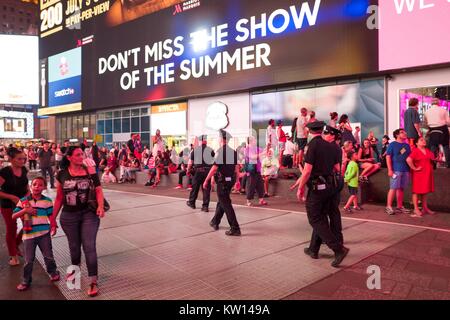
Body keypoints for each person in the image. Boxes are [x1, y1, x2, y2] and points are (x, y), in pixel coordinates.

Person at [51, 146, 106, 297]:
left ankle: (93, 281)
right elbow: (59, 198)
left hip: (89, 213)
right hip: (69, 216)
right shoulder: (61, 174)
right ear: (69, 157)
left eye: (82, 154)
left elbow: (99, 190)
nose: (81, 156)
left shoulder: (90, 170)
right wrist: (52, 219)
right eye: (78, 154)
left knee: (89, 246)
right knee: (74, 247)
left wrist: (100, 206)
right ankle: (75, 273)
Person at [295, 121, 349, 268]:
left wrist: (300, 189)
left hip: (317, 188)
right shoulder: (332, 147)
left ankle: (338, 249)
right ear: (322, 131)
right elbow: (336, 168)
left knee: (315, 218)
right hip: (329, 187)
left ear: (309, 131)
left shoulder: (312, 146)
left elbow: (307, 171)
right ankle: (313, 249)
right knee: (322, 216)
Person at [12, 177, 60, 291]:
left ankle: (53, 272)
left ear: (44, 187)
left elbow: (50, 215)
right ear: (30, 186)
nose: (37, 187)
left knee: (48, 256)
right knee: (29, 260)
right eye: (34, 184)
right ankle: (25, 280)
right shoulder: (23, 201)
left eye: (40, 185)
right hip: (29, 236)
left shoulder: (47, 201)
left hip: (44, 234)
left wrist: (53, 225)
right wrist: (25, 211)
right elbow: (13, 216)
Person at [204, 130, 241, 236]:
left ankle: (235, 228)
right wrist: (237, 180)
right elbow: (236, 167)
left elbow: (214, 168)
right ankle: (215, 221)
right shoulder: (233, 152)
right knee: (222, 201)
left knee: (226, 204)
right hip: (230, 181)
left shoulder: (220, 151)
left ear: (221, 139)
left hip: (222, 182)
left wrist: (207, 180)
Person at [0, 147, 29, 266]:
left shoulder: (24, 170)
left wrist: (27, 196)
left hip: (22, 202)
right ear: (11, 159)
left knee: (28, 224)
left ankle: (16, 244)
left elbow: (27, 188)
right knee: (11, 228)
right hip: (7, 204)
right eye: (19, 159)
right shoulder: (5, 172)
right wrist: (11, 197)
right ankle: (13, 255)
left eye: (24, 158)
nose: (22, 161)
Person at [406, 137, 435, 217]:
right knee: (416, 191)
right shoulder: (415, 151)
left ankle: (425, 208)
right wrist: (414, 168)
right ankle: (416, 209)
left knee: (425, 191)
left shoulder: (427, 150)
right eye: (421, 140)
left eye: (424, 140)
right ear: (416, 143)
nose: (424, 141)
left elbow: (432, 159)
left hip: (427, 173)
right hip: (418, 174)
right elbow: (408, 160)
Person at [385, 129, 411, 215]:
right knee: (393, 188)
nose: (405, 133)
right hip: (396, 170)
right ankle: (388, 206)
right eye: (402, 132)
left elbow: (408, 157)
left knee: (401, 188)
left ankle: (399, 206)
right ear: (397, 135)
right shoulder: (392, 145)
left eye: (405, 132)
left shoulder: (407, 146)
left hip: (405, 170)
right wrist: (390, 170)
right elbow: (388, 157)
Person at [186, 135, 215, 212]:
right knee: (206, 189)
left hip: (197, 171)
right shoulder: (211, 150)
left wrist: (188, 170)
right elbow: (214, 163)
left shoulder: (195, 150)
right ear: (206, 141)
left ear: (200, 141)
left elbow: (190, 162)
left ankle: (192, 203)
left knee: (195, 188)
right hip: (207, 171)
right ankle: (205, 206)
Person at [424, 98, 450, 168]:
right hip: (443, 129)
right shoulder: (443, 110)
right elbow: (448, 122)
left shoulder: (427, 111)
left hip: (432, 130)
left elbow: (426, 122)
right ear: (438, 103)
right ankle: (448, 164)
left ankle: (433, 164)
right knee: (446, 146)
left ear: (431, 103)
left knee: (433, 146)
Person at [244, 136, 268, 207]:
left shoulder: (256, 148)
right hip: (251, 170)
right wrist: (262, 154)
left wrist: (268, 146)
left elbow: (263, 151)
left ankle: (261, 199)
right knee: (250, 186)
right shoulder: (247, 149)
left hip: (257, 169)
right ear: (251, 141)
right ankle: (248, 201)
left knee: (260, 185)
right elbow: (253, 157)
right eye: (254, 140)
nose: (255, 141)